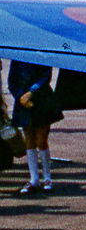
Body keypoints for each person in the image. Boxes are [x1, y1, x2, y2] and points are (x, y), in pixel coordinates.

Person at [8, 61, 62, 193]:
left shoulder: (41, 55)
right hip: (23, 102)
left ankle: (47, 178)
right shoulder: (17, 59)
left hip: (42, 99)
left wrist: (31, 92)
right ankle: (34, 179)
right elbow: (12, 81)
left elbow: (46, 77)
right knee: (29, 140)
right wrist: (20, 96)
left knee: (41, 140)